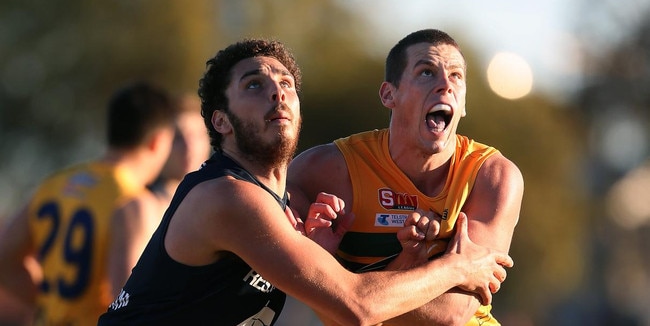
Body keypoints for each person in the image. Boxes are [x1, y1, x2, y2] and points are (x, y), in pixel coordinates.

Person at [98, 38, 513, 326]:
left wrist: (382, 261)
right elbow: (358, 305)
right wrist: (460, 265)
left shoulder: (280, 206)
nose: (277, 94)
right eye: (255, 85)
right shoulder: (229, 197)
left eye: (286, 84)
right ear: (220, 121)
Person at [288, 29, 524, 325]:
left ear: (463, 105)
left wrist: (333, 280)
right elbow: (284, 278)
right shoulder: (324, 170)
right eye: (427, 72)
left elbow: (451, 313)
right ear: (389, 94)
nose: (445, 86)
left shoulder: (492, 175)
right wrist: (456, 267)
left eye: (456, 76)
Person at [0, 82, 176, 325]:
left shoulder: (55, 184)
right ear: (158, 141)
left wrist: (51, 303)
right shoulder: (134, 202)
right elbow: (129, 301)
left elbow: (5, 257)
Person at [108, 95, 212, 294]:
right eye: (178, 138)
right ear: (159, 141)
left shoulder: (216, 205)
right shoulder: (140, 208)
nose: (190, 147)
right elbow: (124, 301)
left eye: (198, 135)